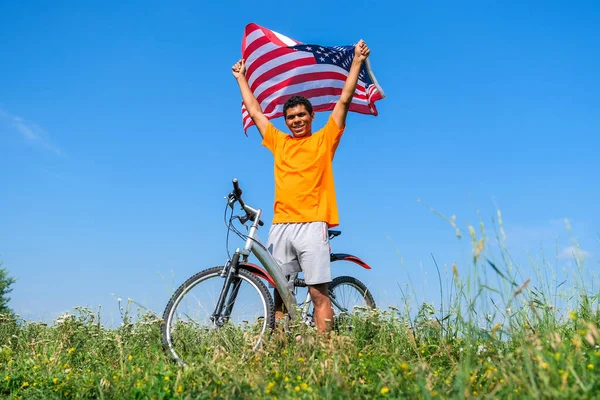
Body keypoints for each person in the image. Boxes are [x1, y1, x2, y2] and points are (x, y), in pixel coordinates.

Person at [231, 40, 371, 333]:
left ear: (311, 117)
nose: (296, 120)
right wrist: (241, 78)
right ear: (286, 121)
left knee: (318, 293)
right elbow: (256, 112)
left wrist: (357, 61)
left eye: (301, 116)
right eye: (291, 117)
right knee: (280, 296)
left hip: (312, 224)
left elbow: (343, 101)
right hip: (282, 225)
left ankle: (326, 354)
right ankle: (281, 350)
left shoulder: (324, 140)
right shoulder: (279, 142)